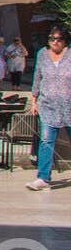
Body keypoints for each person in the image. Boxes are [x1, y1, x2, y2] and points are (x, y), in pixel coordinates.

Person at [27, 27, 71, 191]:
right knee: (46, 141)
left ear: (65, 40)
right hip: (48, 106)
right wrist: (34, 100)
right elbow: (37, 77)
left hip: (69, 105)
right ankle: (43, 177)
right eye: (52, 38)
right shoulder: (42, 55)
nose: (55, 42)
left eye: (58, 39)